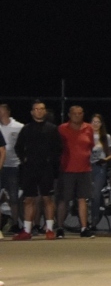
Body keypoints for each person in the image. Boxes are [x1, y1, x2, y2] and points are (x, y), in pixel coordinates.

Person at [13, 101, 62, 240]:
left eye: (41, 109)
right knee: (29, 199)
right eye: (36, 109)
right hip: (30, 169)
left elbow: (58, 148)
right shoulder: (26, 129)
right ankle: (27, 230)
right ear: (32, 112)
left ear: (45, 111)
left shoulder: (52, 129)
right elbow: (18, 147)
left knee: (47, 198)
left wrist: (50, 161)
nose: (39, 111)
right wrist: (25, 160)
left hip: (46, 169)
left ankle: (49, 230)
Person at [56, 105, 95, 237]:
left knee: (83, 199)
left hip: (85, 169)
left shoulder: (89, 128)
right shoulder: (62, 129)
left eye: (80, 113)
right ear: (69, 115)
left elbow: (90, 146)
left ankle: (84, 228)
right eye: (74, 113)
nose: (77, 116)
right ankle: (60, 227)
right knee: (64, 199)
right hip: (67, 169)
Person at [0, 104, 25, 231]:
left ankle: (15, 224)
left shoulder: (19, 127)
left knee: (14, 197)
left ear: (8, 111)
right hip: (0, 167)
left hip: (13, 166)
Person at [88, 114, 111, 231]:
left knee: (96, 194)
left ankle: (94, 220)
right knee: (87, 194)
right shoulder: (86, 135)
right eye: (93, 121)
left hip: (100, 167)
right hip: (87, 167)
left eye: (97, 122)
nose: (95, 124)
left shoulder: (106, 137)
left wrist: (105, 160)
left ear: (101, 124)